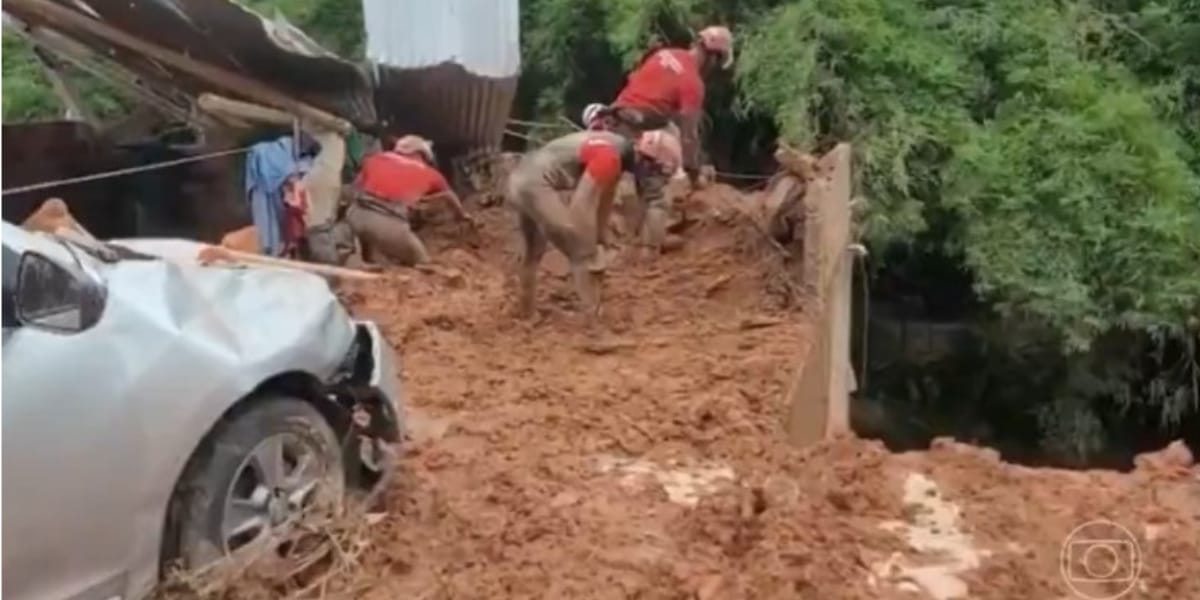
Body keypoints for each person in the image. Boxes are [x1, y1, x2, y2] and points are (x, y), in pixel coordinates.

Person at [508, 128, 682, 324]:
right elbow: (581, 204)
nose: (652, 179)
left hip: (521, 178)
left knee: (533, 251)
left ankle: (526, 312)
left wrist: (601, 234)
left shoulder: (616, 148)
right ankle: (593, 325)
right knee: (582, 253)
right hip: (536, 185)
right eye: (654, 171)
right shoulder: (609, 158)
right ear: (645, 158)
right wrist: (589, 245)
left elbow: (605, 196)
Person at [600, 25, 734, 255]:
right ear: (713, 57)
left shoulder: (664, 54)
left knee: (636, 176)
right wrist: (694, 169)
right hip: (635, 128)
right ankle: (649, 252)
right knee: (656, 195)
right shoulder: (693, 83)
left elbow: (637, 82)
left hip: (613, 119)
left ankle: (642, 233)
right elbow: (689, 134)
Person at [346, 135, 475, 266]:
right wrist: (462, 215)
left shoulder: (375, 159)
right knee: (423, 262)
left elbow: (355, 188)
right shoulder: (431, 174)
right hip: (390, 226)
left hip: (356, 216)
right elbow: (449, 196)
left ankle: (366, 257)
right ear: (421, 154)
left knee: (366, 229)